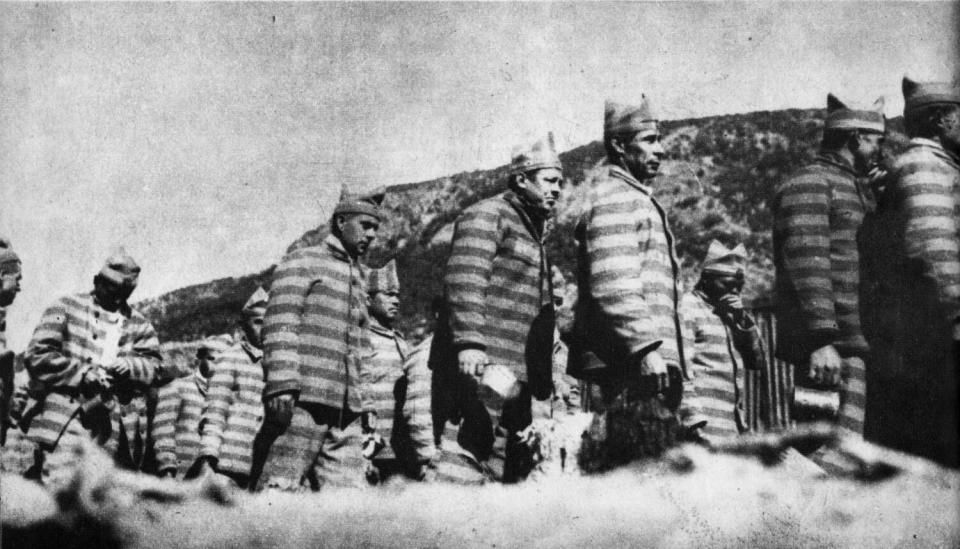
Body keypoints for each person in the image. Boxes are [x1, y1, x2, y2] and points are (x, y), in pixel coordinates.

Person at [436, 133, 563, 483]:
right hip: (481, 365)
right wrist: (470, 343)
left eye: (560, 183)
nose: (557, 190)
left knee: (499, 466)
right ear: (522, 179)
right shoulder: (488, 214)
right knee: (462, 460)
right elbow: (466, 277)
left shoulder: (532, 230)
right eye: (549, 180)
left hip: (514, 375)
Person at [569, 97, 685, 470]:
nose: (661, 149)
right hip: (630, 365)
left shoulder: (633, 197)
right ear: (619, 145)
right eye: (649, 140)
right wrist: (646, 349)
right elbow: (614, 284)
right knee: (636, 474)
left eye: (659, 139)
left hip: (644, 367)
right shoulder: (615, 197)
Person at [772, 93, 885, 455]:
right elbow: (808, 262)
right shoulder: (813, 183)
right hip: (830, 353)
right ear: (856, 138)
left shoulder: (849, 186)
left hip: (849, 349)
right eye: (877, 141)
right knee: (825, 457)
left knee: (846, 453)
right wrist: (820, 340)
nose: (879, 150)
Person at [252, 188, 384, 491]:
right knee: (278, 490)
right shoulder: (302, 261)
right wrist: (283, 383)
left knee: (348, 503)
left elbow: (362, 346)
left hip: (347, 412)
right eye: (366, 225)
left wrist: (367, 405)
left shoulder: (359, 278)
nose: (372, 235)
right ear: (340, 221)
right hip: (303, 403)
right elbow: (281, 321)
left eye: (376, 228)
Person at [868, 77, 960, 467]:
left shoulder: (934, 166)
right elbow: (933, 254)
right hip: (942, 341)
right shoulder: (924, 167)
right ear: (940, 120)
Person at [21, 249, 163, 487]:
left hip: (115, 429)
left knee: (100, 499)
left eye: (124, 293)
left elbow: (156, 367)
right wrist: (83, 374)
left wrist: (131, 366)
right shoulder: (65, 307)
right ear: (97, 281)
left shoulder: (140, 325)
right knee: (60, 489)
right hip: (67, 420)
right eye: (111, 289)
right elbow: (37, 355)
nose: (117, 298)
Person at [680, 240, 766, 443]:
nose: (735, 292)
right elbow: (681, 372)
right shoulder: (688, 307)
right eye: (728, 285)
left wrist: (742, 320)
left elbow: (758, 361)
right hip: (703, 432)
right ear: (706, 279)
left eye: (739, 287)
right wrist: (694, 425)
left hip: (732, 429)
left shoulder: (729, 313)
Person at [361, 261, 434, 483]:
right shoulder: (362, 339)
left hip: (402, 446)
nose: (396, 300)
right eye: (388, 294)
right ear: (368, 299)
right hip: (375, 448)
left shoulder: (400, 340)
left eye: (398, 295)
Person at [190, 287, 269, 487]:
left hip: (265, 468)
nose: (264, 329)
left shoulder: (278, 362)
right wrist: (208, 460)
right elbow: (215, 413)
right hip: (231, 465)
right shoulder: (229, 359)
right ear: (243, 326)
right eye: (258, 322)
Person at [153, 337, 227, 479]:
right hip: (181, 475)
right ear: (199, 357)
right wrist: (167, 471)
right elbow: (163, 432)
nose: (216, 366)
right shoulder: (177, 387)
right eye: (211, 359)